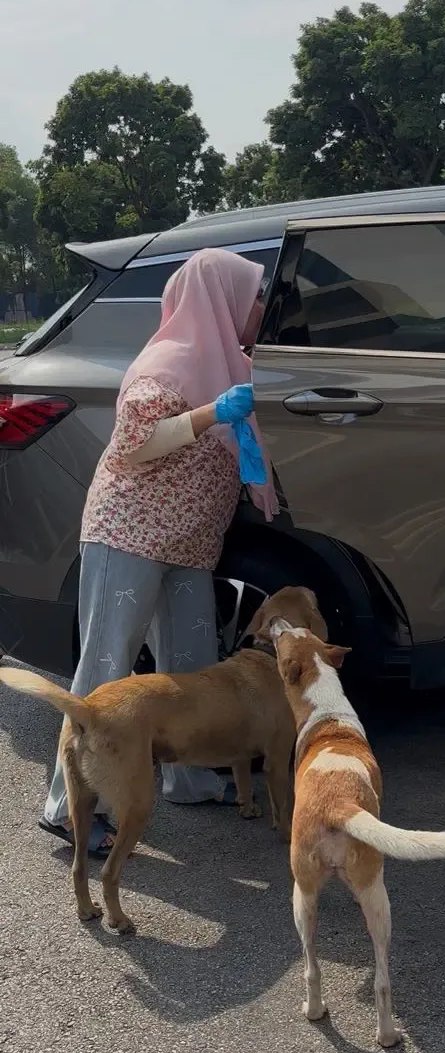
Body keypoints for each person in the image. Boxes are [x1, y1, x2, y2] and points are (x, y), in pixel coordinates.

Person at [40, 247, 279, 855]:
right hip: (131, 534)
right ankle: (70, 806)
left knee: (192, 666)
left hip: (190, 541)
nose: (262, 305)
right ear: (220, 297)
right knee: (106, 668)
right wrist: (212, 414)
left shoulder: (234, 362)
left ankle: (189, 777)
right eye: (255, 294)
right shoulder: (170, 362)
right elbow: (137, 442)